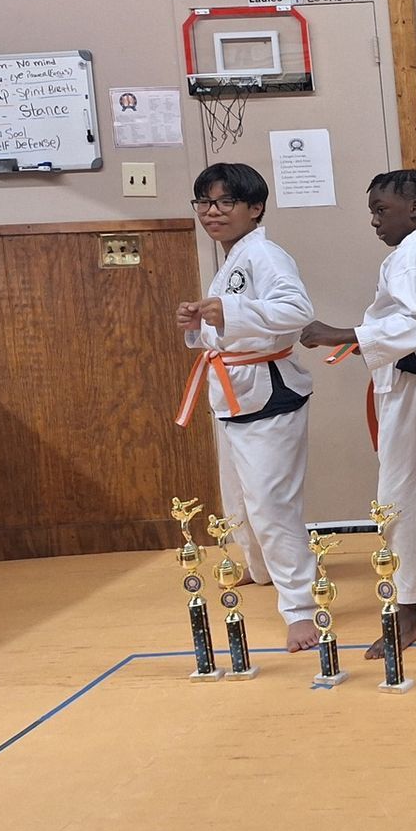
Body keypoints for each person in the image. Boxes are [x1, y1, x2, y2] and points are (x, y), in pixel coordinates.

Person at [298, 169, 416, 658]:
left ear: (415, 207)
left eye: (380, 210)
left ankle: (408, 607)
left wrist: (339, 333)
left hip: (415, 384)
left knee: (401, 489)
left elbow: (414, 323)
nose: (373, 220)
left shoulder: (413, 256)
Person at [175, 162, 320, 651]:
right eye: (204, 202)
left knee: (271, 504)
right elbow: (231, 327)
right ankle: (264, 571)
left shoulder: (266, 255)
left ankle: (301, 607)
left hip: (268, 392)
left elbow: (297, 312)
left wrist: (229, 311)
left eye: (225, 202)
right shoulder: (235, 256)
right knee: (240, 500)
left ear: (255, 208)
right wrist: (201, 321)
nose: (212, 212)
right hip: (235, 389)